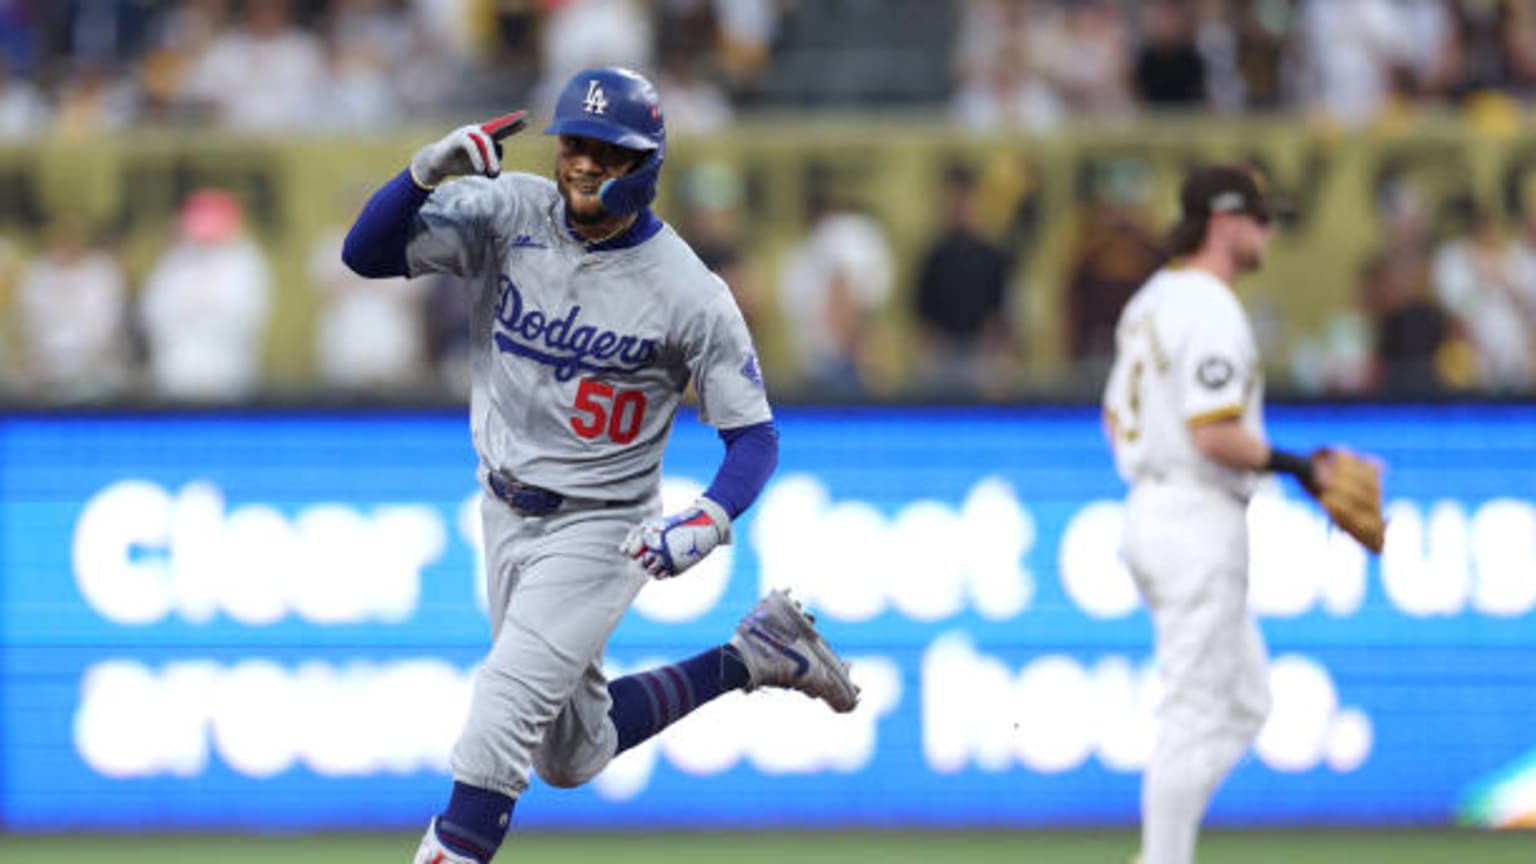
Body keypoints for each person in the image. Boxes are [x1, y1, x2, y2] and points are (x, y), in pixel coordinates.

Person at [340, 66, 859, 864]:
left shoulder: (688, 290)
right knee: (571, 754)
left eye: (607, 152)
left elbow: (754, 437)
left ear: (646, 163)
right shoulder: (511, 211)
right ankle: (756, 655)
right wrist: (421, 174)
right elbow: (366, 255)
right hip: (503, 509)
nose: (582, 163)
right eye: (574, 144)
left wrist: (708, 517)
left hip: (599, 524)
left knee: (500, 717)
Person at [1100, 166, 1359, 864]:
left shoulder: (1153, 299)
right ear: (1223, 221)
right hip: (1195, 514)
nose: (1270, 230)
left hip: (1152, 505)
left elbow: (1110, 416)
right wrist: (1305, 468)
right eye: (1261, 216)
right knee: (1191, 712)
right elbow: (1214, 431)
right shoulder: (1211, 307)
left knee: (1245, 701)